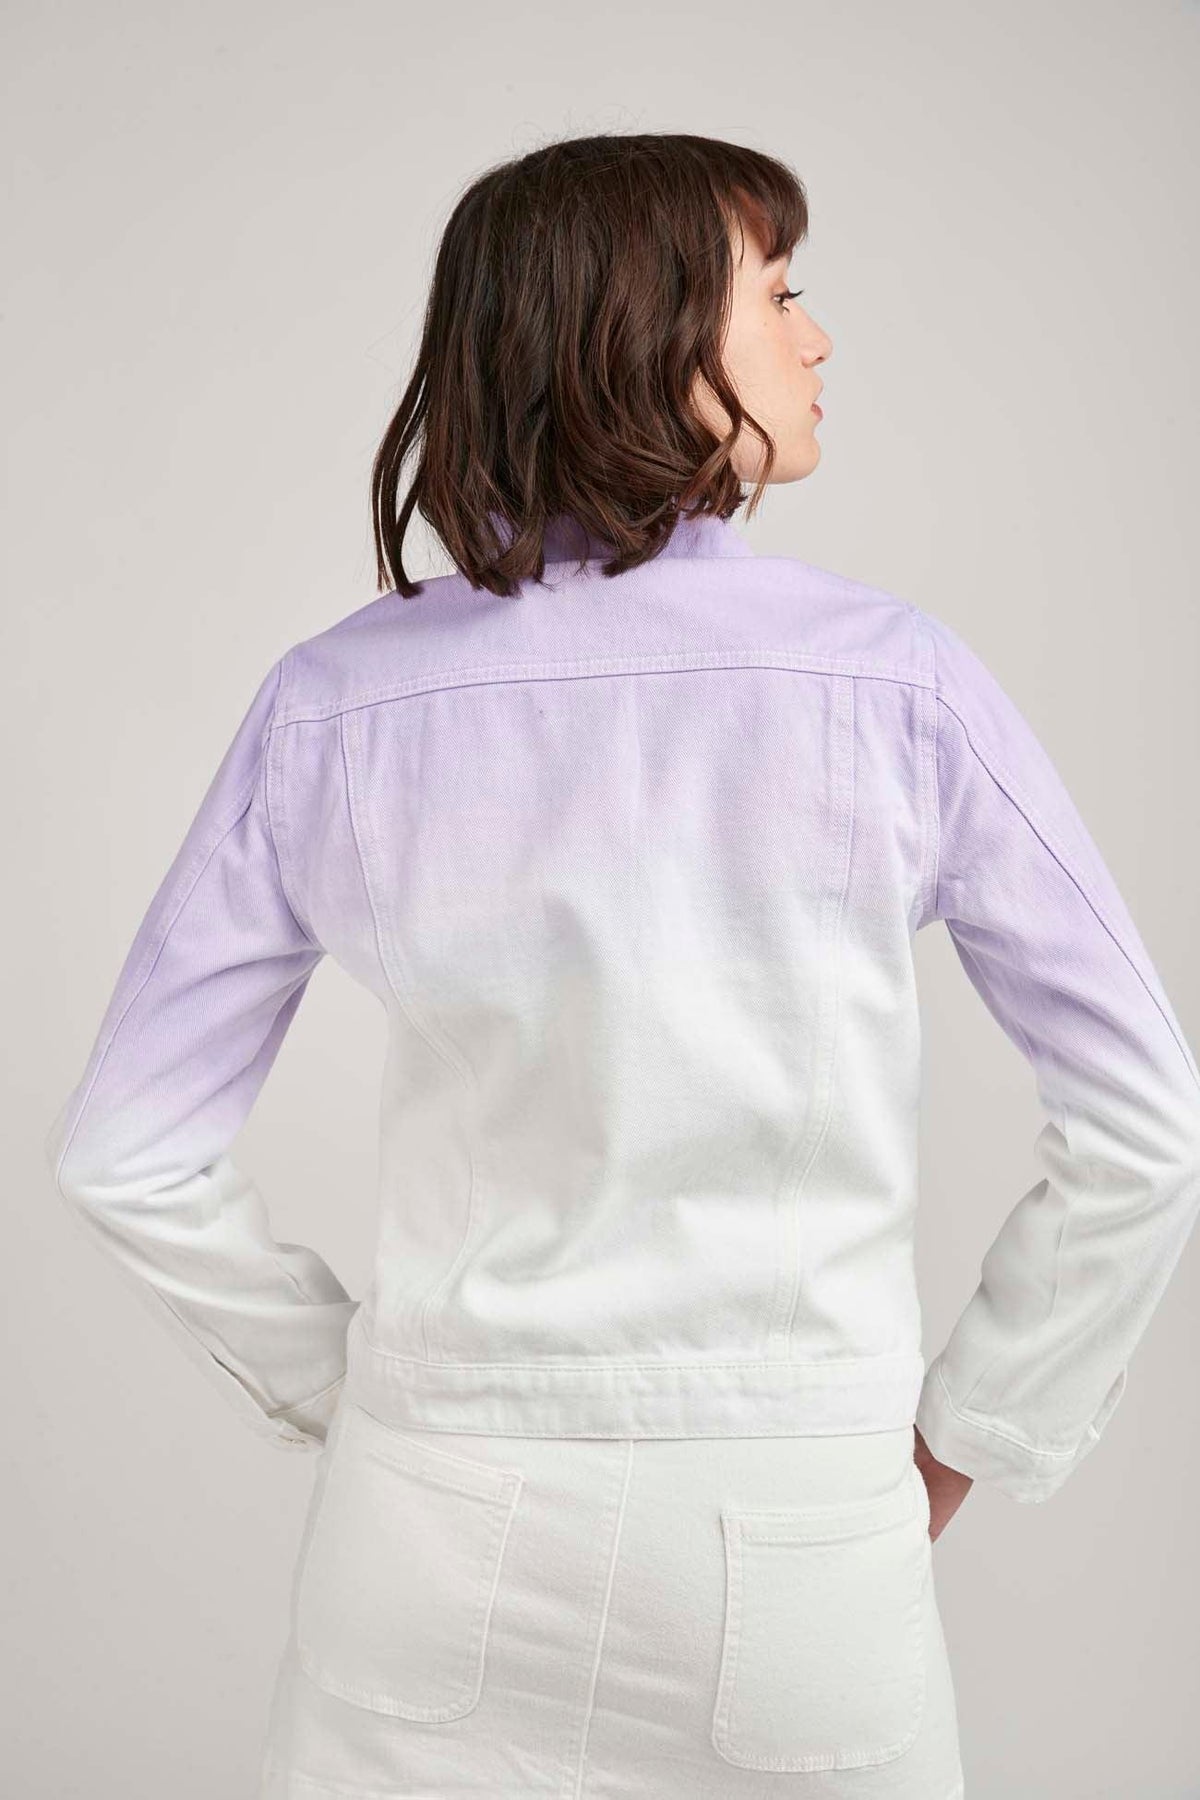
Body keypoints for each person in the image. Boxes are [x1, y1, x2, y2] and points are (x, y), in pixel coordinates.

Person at [45, 132, 1200, 1800]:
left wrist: (355, 1393)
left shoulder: (337, 705)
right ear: (647, 337)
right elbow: (1150, 1124)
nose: (817, 336)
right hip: (796, 1543)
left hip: (432, 1528)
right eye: (779, 295)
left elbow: (122, 1149)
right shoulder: (897, 689)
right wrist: (969, 1436)